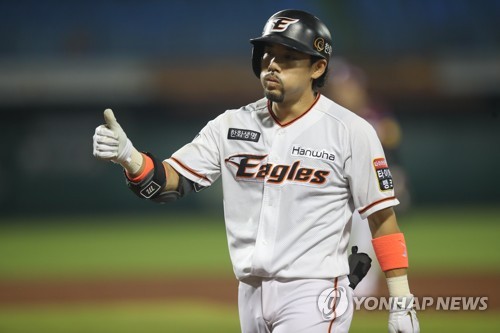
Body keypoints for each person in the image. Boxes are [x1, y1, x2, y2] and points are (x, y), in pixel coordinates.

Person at [93, 9, 419, 333]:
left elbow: (382, 220)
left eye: (288, 56)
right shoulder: (230, 126)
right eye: (268, 54)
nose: (272, 64)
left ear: (317, 67)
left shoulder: (351, 131)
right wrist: (129, 158)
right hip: (248, 294)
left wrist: (401, 299)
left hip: (314, 293)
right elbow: (167, 184)